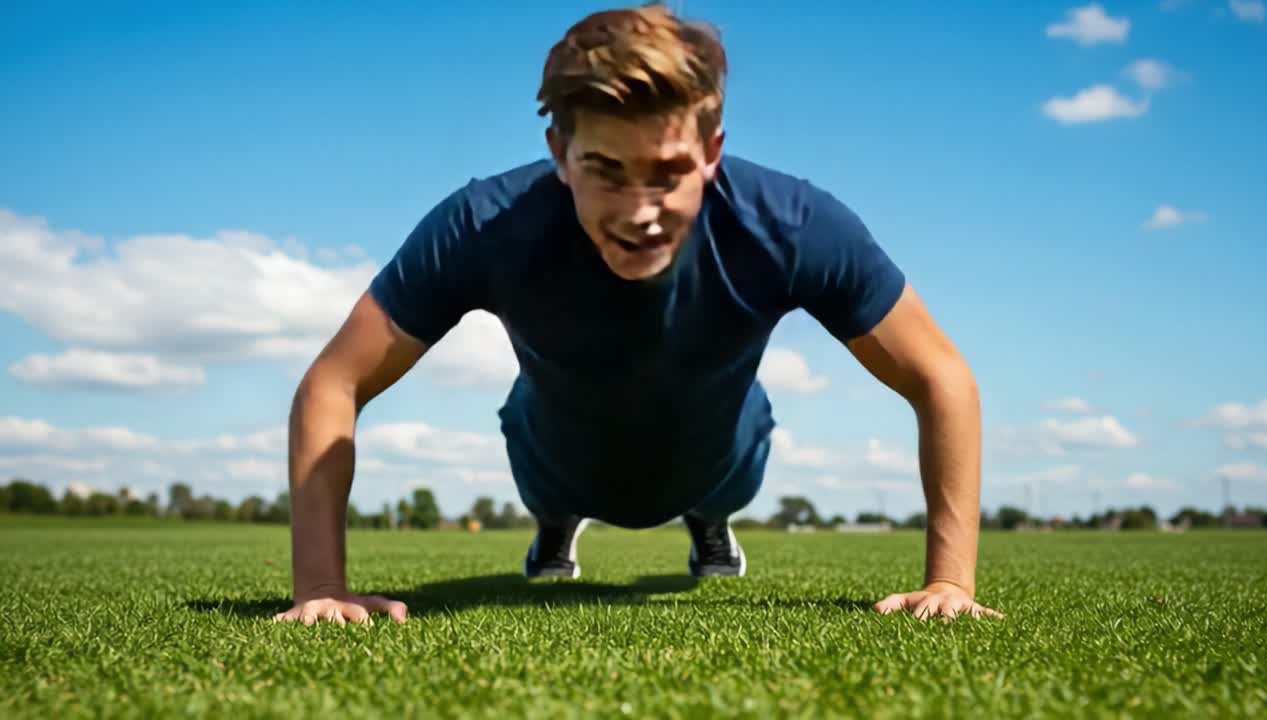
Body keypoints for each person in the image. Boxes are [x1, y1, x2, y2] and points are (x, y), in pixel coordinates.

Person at [273, 3, 1003, 626]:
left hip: (722, 453)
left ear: (712, 151)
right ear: (560, 151)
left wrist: (950, 581)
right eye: (606, 172)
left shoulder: (793, 224)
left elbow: (940, 374)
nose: (641, 214)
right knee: (550, 448)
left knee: (724, 450)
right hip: (553, 455)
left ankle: (709, 522)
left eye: (669, 173)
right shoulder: (483, 225)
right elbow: (334, 382)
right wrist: (320, 588)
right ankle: (555, 525)